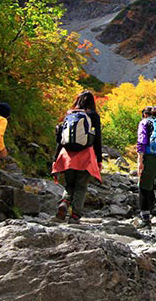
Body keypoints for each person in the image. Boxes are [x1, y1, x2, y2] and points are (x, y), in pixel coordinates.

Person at [52, 91, 102, 224]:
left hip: (67, 155)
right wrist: (99, 159)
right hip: (86, 156)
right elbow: (97, 139)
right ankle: (75, 216)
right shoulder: (93, 116)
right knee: (81, 186)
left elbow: (60, 139)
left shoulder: (70, 114)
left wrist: (55, 159)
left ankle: (64, 202)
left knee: (69, 184)